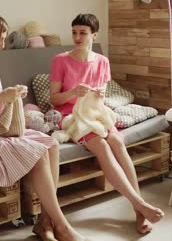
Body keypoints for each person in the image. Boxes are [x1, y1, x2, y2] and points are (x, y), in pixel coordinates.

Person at [0, 11, 87, 241]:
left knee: (51, 144)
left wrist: (12, 96)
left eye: (4, 39)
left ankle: (45, 222)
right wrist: (2, 98)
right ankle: (62, 226)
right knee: (38, 153)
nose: (3, 45)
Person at [49, 13, 164, 234]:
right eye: (74, 32)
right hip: (71, 115)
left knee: (118, 144)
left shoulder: (102, 61)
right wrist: (73, 91)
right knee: (101, 145)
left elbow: (99, 99)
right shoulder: (60, 60)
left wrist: (100, 95)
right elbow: (54, 99)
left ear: (94, 34)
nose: (77, 37)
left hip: (95, 113)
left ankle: (139, 213)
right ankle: (140, 205)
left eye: (83, 32)